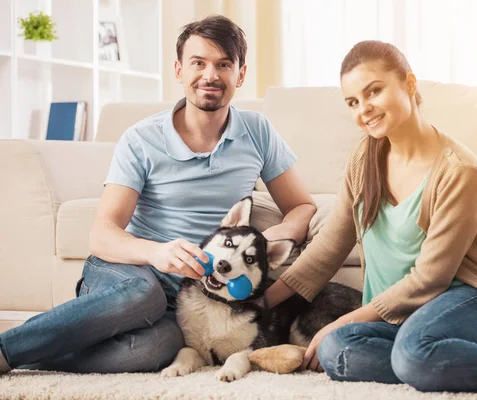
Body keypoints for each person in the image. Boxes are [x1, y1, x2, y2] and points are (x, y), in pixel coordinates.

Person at [264, 40, 477, 400]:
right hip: (398, 318)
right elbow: (328, 248)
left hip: (462, 302)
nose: (365, 109)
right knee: (336, 352)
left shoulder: (459, 170)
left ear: (409, 84)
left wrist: (344, 319)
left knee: (410, 355)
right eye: (353, 102)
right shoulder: (364, 159)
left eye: (373, 91)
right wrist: (260, 302)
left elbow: (430, 278)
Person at [0, 15, 316, 375]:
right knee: (144, 294)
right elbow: (102, 233)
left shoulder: (257, 131)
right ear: (179, 70)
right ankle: (5, 348)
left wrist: (274, 235)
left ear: (240, 75)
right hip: (130, 273)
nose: (210, 75)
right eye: (199, 63)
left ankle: (28, 353)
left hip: (192, 293)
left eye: (224, 64)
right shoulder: (141, 139)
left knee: (157, 349)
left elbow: (302, 206)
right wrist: (156, 252)